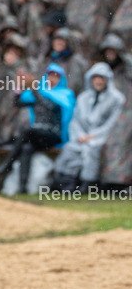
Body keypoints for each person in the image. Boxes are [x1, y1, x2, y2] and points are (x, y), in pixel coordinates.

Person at [0, 64, 76, 191]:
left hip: (53, 135)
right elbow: (18, 103)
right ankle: (22, 187)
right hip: (37, 135)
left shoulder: (64, 95)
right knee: (26, 148)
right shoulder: (39, 94)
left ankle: (8, 163)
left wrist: (34, 88)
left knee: (26, 130)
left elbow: (50, 105)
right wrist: (19, 86)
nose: (52, 79)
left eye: (56, 76)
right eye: (50, 76)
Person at [54, 64, 126, 193]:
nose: (98, 81)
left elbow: (113, 123)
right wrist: (81, 135)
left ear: (107, 80)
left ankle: (88, 184)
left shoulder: (117, 98)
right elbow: (75, 120)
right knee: (70, 148)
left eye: (102, 78)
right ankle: (66, 182)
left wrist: (94, 135)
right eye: (96, 78)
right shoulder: (83, 97)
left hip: (104, 138)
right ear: (91, 79)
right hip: (82, 136)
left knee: (91, 150)